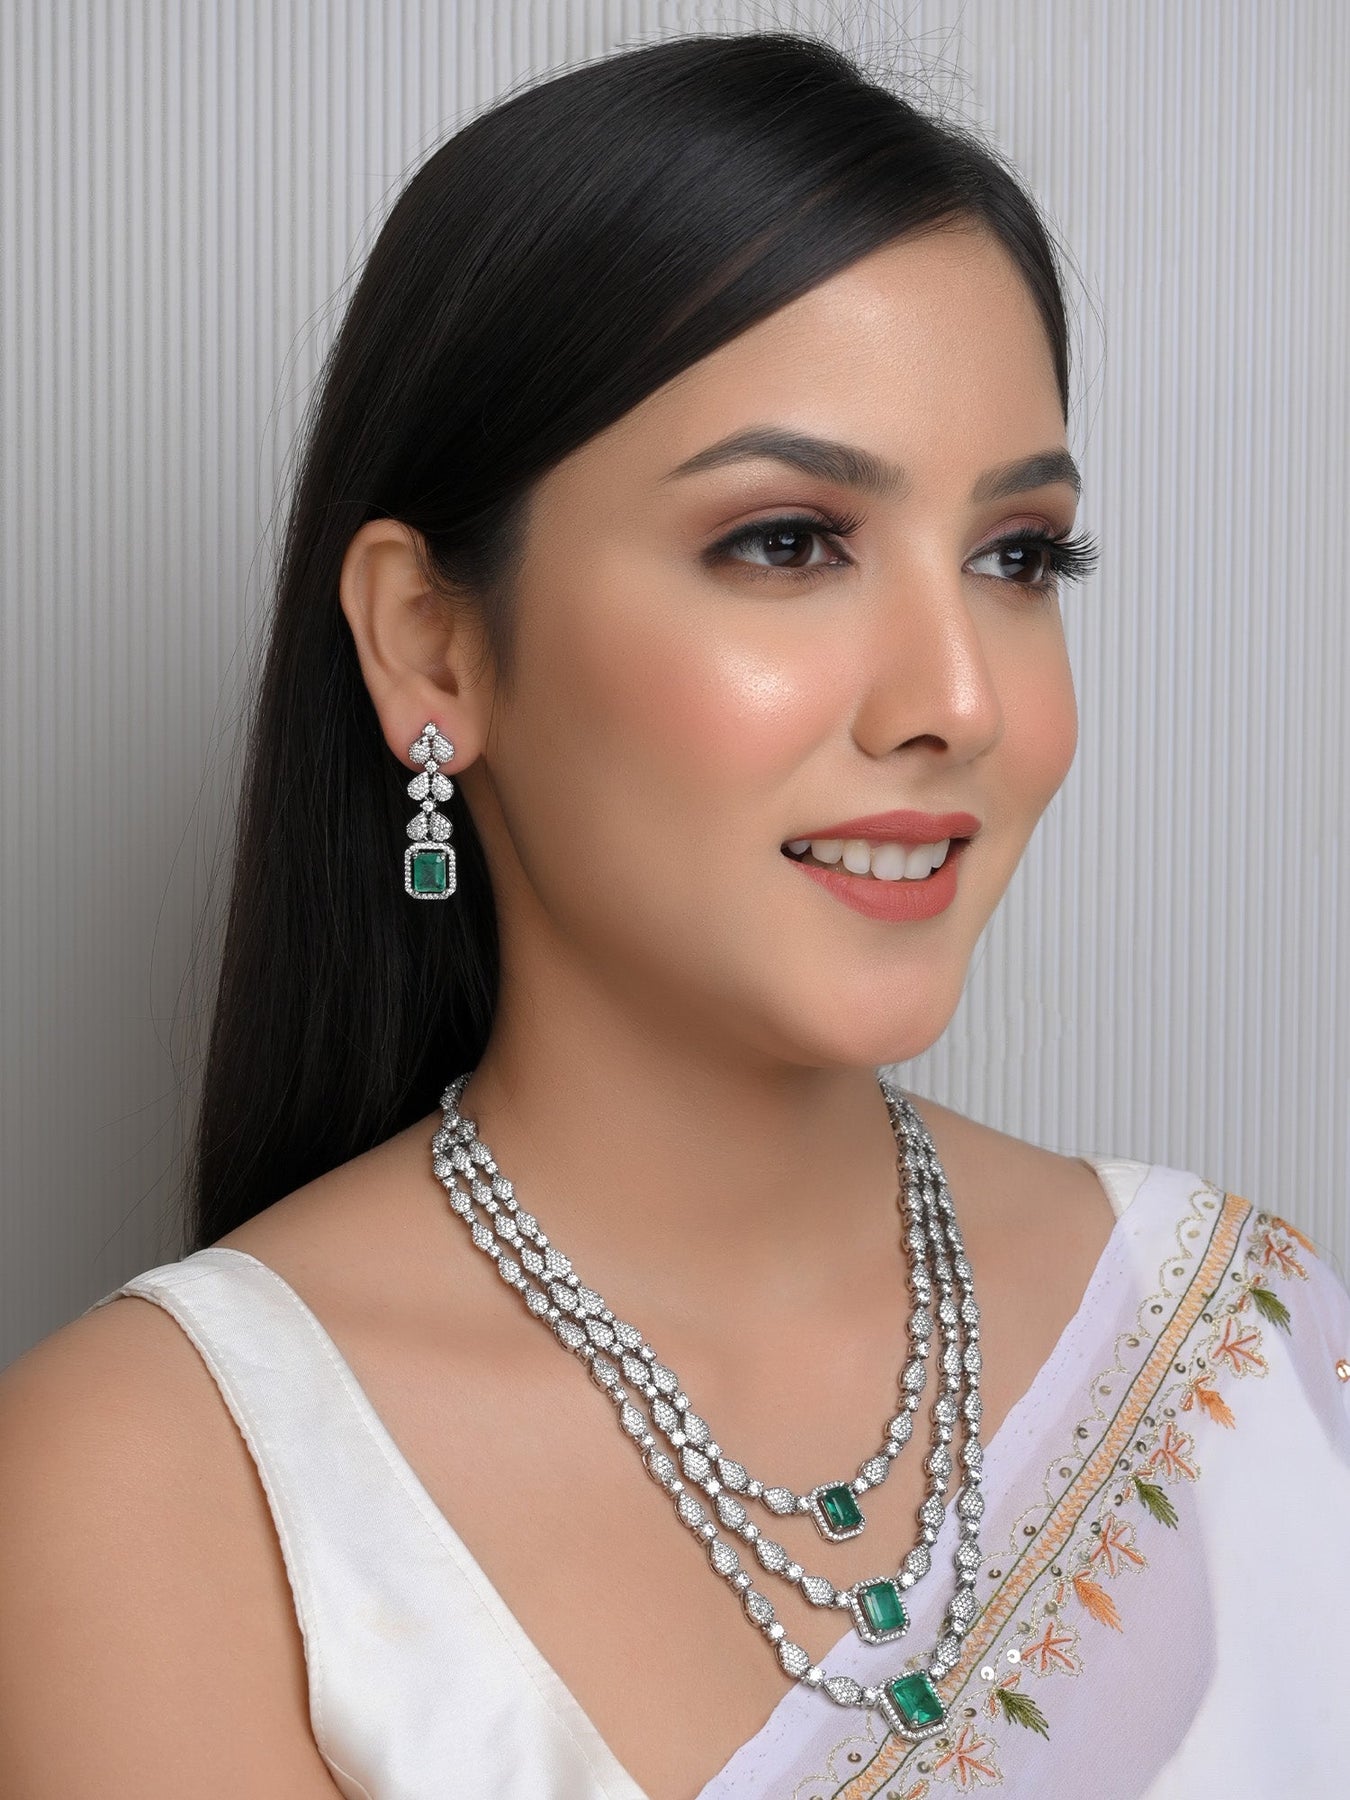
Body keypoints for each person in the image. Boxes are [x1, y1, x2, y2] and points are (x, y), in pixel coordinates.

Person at [1, 28, 1346, 1800]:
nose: (957, 698)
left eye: (1016, 556)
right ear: (432, 645)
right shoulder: (162, 1486)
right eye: (787, 542)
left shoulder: (1246, 1346)